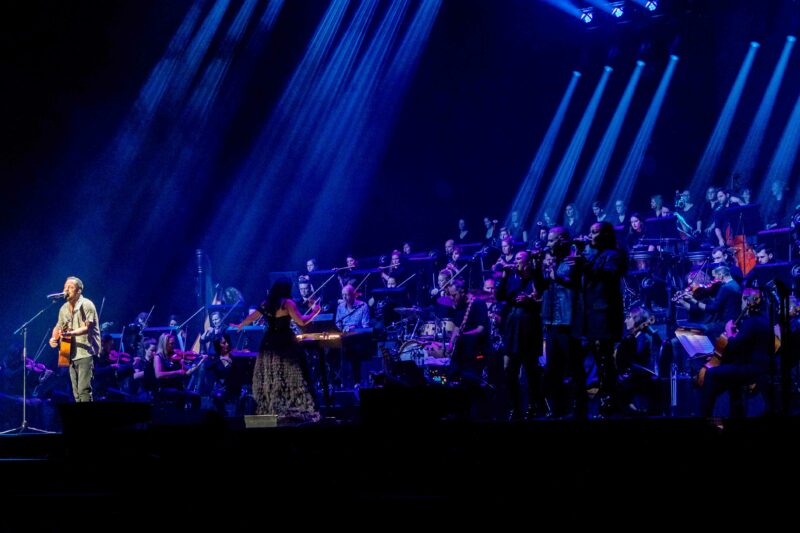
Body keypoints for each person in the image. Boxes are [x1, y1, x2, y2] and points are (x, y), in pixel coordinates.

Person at [237, 277, 321, 422]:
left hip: (269, 342)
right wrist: (315, 311)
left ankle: (273, 410)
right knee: (291, 373)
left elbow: (252, 317)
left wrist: (240, 325)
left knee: (272, 374)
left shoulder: (266, 303)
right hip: (285, 341)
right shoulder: (288, 303)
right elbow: (301, 321)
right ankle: (290, 409)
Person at [699, 288, 771, 426]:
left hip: (752, 368)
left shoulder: (750, 322)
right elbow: (746, 344)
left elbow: (733, 346)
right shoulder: (764, 319)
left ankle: (706, 418)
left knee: (711, 374)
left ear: (747, 300)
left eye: (742, 300)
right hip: (759, 366)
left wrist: (729, 332)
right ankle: (734, 414)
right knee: (727, 376)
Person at [580, 221, 627, 417]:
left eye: (595, 232)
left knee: (605, 357)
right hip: (592, 313)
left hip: (606, 314)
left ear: (606, 235)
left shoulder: (614, 254)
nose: (590, 235)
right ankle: (603, 395)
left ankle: (609, 399)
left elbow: (608, 275)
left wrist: (585, 261)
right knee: (597, 357)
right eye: (590, 231)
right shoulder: (594, 255)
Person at [495, 250, 545, 420]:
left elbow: (541, 295)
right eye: (515, 259)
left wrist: (529, 300)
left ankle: (532, 406)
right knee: (509, 370)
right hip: (512, 331)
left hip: (529, 331)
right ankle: (515, 407)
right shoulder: (512, 278)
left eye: (519, 259)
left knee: (531, 371)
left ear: (527, 262)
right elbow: (499, 296)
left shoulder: (535, 277)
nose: (515, 262)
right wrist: (504, 275)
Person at [48, 276, 100, 403]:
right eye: (65, 287)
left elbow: (88, 328)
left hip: (86, 351)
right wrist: (53, 338)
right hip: (69, 353)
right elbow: (58, 326)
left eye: (70, 287)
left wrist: (70, 333)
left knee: (84, 390)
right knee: (75, 392)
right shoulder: (63, 308)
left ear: (79, 291)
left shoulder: (87, 304)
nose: (66, 289)